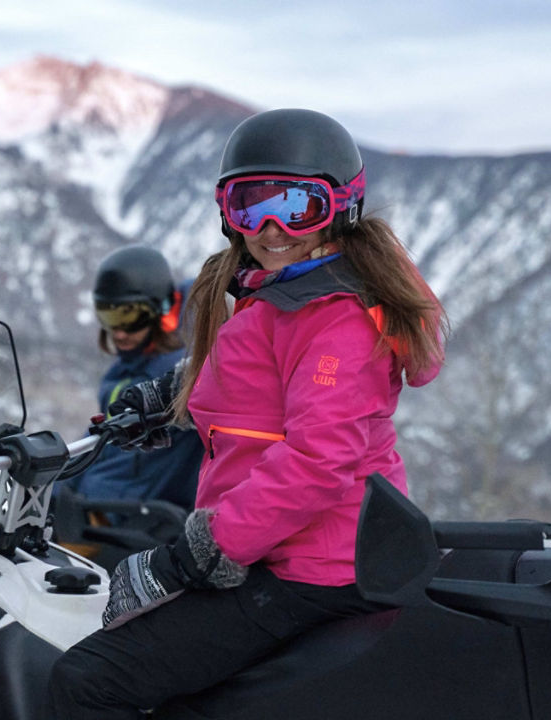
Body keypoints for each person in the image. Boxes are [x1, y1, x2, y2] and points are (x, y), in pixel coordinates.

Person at [47, 108, 448, 718]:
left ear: (341, 207)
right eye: (248, 205)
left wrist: (196, 554)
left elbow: (318, 460)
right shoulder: (281, 294)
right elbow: (260, 375)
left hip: (313, 568)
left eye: (296, 208)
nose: (268, 227)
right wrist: (168, 395)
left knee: (89, 681)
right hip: (281, 549)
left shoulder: (336, 316)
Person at [60, 245, 203, 511]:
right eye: (109, 317)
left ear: (161, 311)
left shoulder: (174, 381)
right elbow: (98, 440)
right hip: (88, 510)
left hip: (123, 524)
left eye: (131, 317)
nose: (119, 333)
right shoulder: (127, 368)